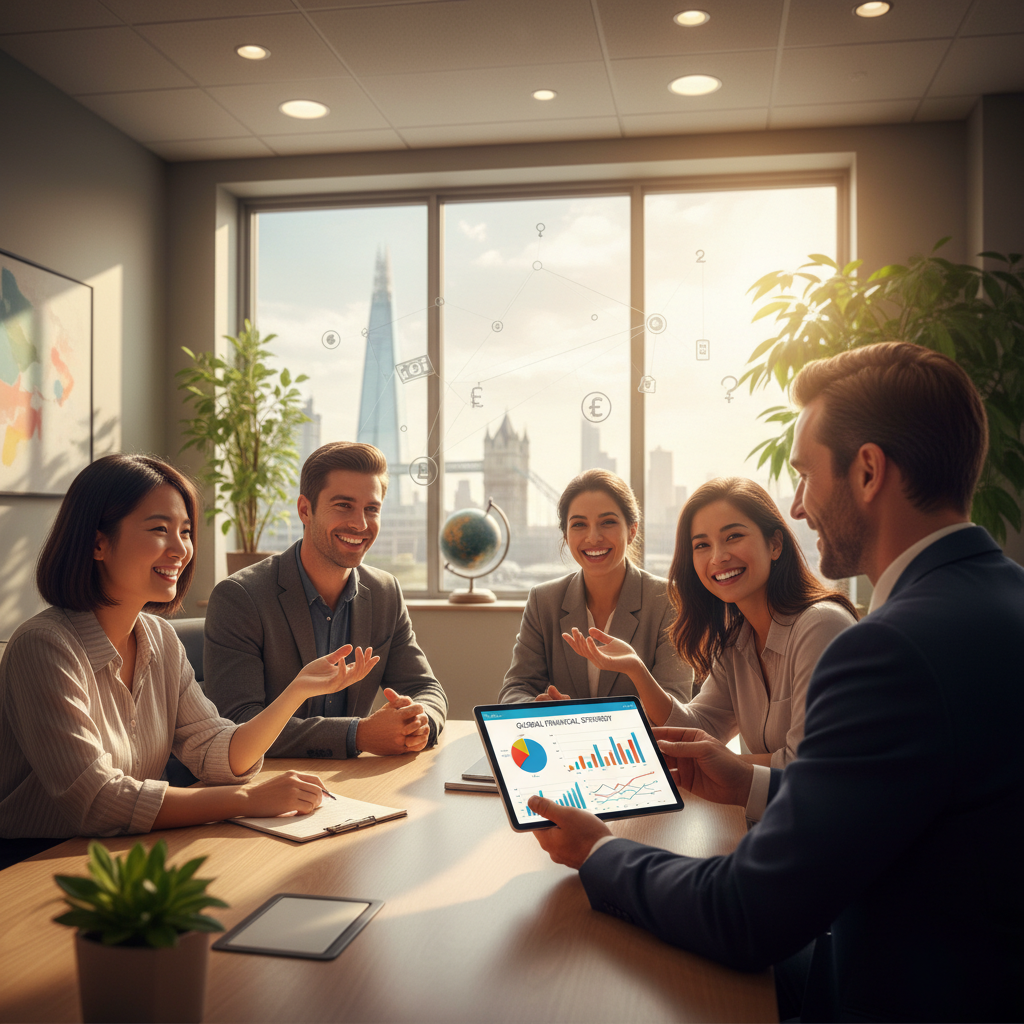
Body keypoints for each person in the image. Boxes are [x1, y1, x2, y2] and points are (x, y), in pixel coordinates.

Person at [527, 343, 1023, 1023]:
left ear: (868, 471)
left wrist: (599, 851)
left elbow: (747, 913)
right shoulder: (999, 599)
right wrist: (746, 780)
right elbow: (892, 794)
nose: (799, 504)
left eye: (805, 475)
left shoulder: (887, 649)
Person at [0, 455, 377, 863]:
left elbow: (218, 754)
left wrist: (296, 691)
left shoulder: (160, 639)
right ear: (97, 543)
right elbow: (98, 801)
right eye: (159, 529)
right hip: (35, 862)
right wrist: (247, 799)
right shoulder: (44, 647)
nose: (181, 549)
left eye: (185, 531)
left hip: (125, 852)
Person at [564, 478, 856, 764]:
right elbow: (699, 728)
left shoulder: (820, 625)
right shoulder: (736, 641)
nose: (718, 557)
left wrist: (718, 763)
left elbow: (807, 764)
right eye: (702, 545)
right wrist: (636, 670)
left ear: (775, 544)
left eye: (733, 536)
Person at [204, 441, 447, 759]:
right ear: (305, 510)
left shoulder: (385, 592)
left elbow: (425, 689)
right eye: (344, 505)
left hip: (352, 779)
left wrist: (419, 722)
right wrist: (358, 734)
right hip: (269, 780)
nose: (361, 524)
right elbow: (238, 723)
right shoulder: (240, 597)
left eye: (371, 509)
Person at [499, 469, 692, 715]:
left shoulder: (668, 601)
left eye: (608, 522)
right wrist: (537, 707)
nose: (593, 537)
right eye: (579, 524)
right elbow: (515, 689)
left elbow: (676, 707)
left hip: (641, 740)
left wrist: (595, 723)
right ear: (566, 536)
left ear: (632, 530)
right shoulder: (543, 601)